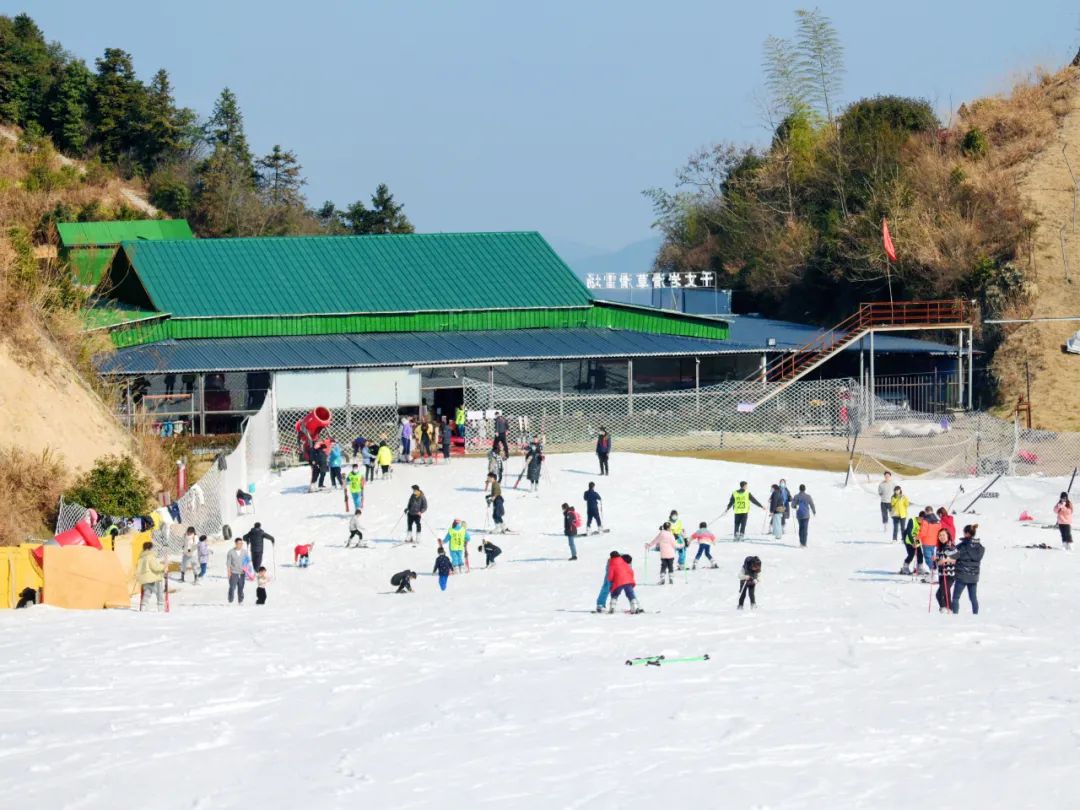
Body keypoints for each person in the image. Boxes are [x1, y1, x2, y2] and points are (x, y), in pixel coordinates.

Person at [951, 524, 984, 615]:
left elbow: (953, 555)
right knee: (973, 598)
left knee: (956, 598)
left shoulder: (962, 546)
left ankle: (954, 616)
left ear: (966, 533)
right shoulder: (979, 547)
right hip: (974, 576)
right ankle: (976, 615)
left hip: (962, 575)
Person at [136, 541, 166, 611]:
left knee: (147, 593)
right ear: (150, 548)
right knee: (159, 593)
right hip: (154, 578)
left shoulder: (141, 558)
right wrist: (164, 566)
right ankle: (161, 607)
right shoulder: (150, 556)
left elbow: (138, 569)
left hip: (145, 579)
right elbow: (155, 567)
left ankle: (143, 606)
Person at [935, 529, 958, 613]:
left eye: (943, 535)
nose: (941, 537)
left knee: (941, 594)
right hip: (941, 574)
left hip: (950, 574)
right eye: (940, 535)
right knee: (944, 594)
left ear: (948, 536)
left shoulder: (950, 546)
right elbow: (938, 561)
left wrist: (945, 560)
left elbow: (957, 558)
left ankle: (946, 609)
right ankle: (948, 609)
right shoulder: (939, 548)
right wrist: (936, 561)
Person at [917, 507, 939, 574]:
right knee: (934, 558)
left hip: (927, 542)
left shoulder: (925, 520)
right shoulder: (937, 520)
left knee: (928, 559)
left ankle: (934, 572)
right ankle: (936, 571)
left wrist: (917, 537)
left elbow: (923, 532)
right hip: (935, 542)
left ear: (926, 512)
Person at [226, 538, 247, 605]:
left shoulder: (244, 552)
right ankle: (230, 600)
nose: (240, 545)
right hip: (234, 572)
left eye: (241, 543)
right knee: (232, 587)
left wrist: (247, 570)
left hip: (242, 573)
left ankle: (240, 601)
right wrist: (229, 571)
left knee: (241, 587)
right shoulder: (230, 552)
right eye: (238, 543)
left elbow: (247, 561)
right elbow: (228, 563)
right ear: (235, 544)